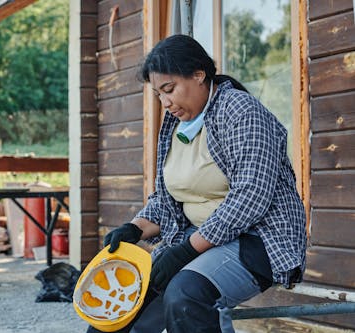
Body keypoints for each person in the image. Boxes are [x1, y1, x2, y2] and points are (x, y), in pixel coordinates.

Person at [86, 34, 306, 333]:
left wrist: (186, 250)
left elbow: (251, 197)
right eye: (158, 95)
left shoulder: (242, 112)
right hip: (195, 241)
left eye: (169, 89)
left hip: (257, 241)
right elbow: (166, 199)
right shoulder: (177, 125)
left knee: (184, 295)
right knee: (117, 312)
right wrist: (134, 228)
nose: (165, 103)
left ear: (199, 75)